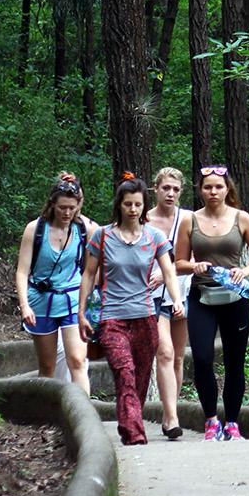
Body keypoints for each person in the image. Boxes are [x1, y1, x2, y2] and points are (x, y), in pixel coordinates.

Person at [80, 174, 183, 446]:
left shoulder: (155, 236)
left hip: (146, 316)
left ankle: (129, 426)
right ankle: (135, 434)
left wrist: (177, 300)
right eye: (128, 204)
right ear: (120, 205)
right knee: (124, 373)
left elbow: (169, 272)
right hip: (112, 318)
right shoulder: (102, 236)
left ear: (143, 205)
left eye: (137, 204)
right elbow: (89, 275)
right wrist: (81, 312)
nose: (133, 209)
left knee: (139, 377)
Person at [177, 166, 249, 441]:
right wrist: (194, 266)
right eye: (208, 187)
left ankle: (232, 422)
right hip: (202, 296)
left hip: (235, 297)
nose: (213, 192)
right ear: (200, 190)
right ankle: (210, 421)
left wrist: (245, 271)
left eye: (218, 186)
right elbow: (178, 262)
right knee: (203, 358)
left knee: (234, 361)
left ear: (227, 188)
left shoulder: (242, 219)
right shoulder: (190, 221)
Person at [14, 175, 93, 391]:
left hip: (72, 300)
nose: (67, 213)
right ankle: (47, 416)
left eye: (71, 208)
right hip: (41, 301)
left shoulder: (84, 228)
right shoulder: (35, 229)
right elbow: (22, 272)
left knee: (77, 360)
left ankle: (84, 414)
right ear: (52, 205)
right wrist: (24, 306)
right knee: (47, 366)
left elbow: (92, 268)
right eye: (62, 208)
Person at [146, 166, 189, 439]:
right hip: (151, 296)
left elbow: (191, 259)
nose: (170, 193)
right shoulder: (143, 218)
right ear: (156, 189)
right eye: (166, 188)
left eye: (175, 189)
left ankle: (168, 412)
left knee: (179, 357)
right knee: (164, 352)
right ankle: (172, 417)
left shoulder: (188, 219)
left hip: (182, 293)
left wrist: (169, 272)